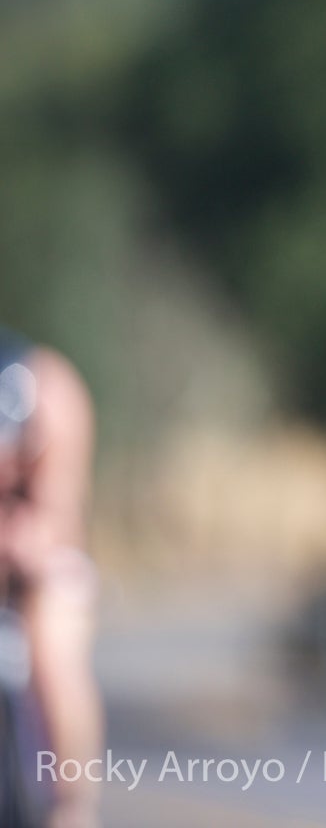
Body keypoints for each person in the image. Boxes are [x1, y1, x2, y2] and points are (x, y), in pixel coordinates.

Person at [0, 328, 103, 828]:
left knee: (51, 643)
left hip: (36, 570)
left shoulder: (48, 386)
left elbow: (55, 520)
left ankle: (70, 808)